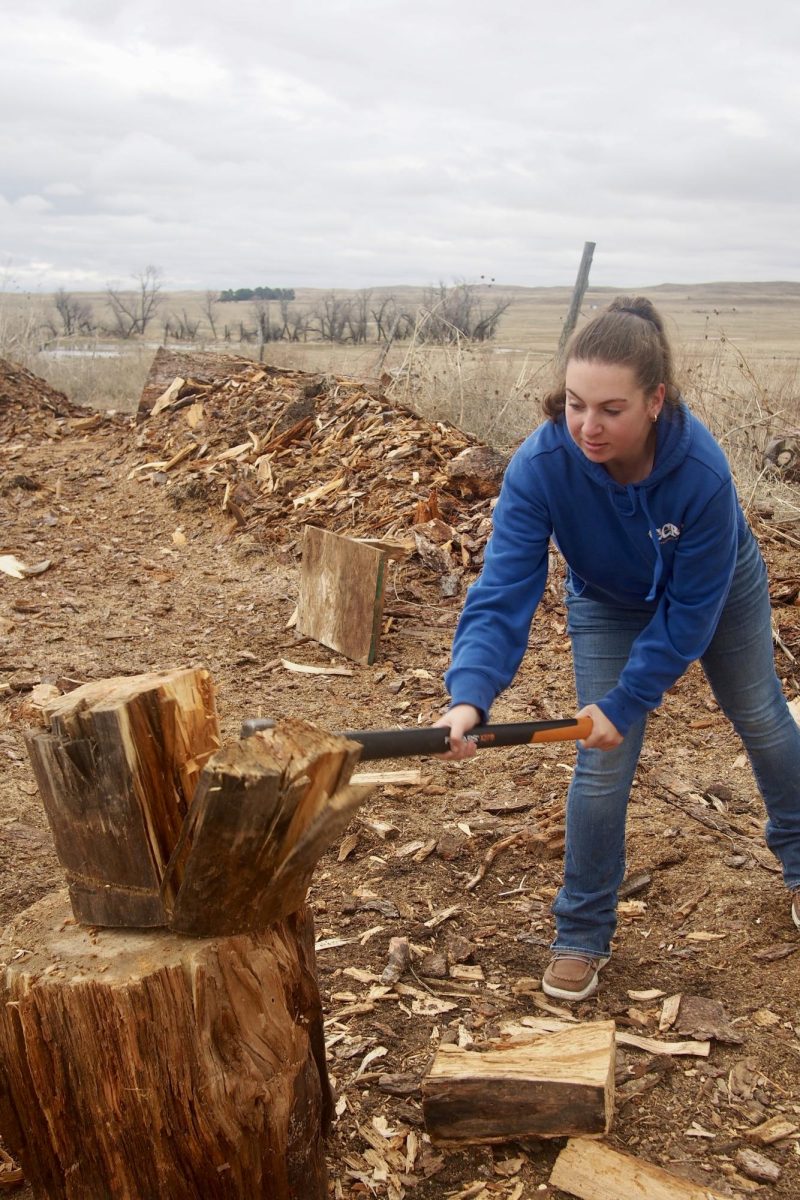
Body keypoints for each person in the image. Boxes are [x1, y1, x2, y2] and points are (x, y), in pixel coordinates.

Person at [435, 295, 800, 1002]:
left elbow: (690, 615)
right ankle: (581, 930)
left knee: (759, 715)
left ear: (655, 400)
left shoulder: (700, 472)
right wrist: (469, 696)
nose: (587, 426)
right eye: (575, 403)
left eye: (610, 409)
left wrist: (627, 700)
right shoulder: (541, 466)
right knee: (600, 764)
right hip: (605, 600)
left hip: (720, 591)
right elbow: (504, 589)